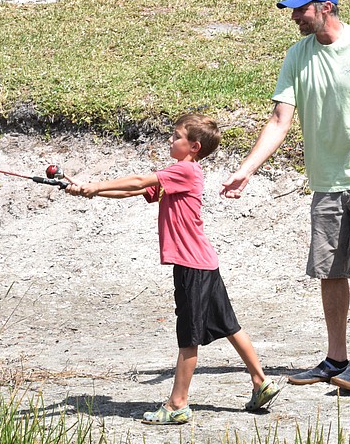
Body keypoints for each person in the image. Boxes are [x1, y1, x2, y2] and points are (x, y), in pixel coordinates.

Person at [220, 0, 350, 393]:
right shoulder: (297, 56)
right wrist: (248, 167)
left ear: (326, 6)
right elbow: (279, 120)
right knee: (330, 269)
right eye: (293, 9)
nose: (295, 17)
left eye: (302, 9)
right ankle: (335, 358)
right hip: (325, 180)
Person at [66, 113, 280, 424]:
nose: (170, 139)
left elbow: (140, 181)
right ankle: (262, 382)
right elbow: (135, 191)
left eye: (176, 136)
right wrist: (90, 191)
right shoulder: (177, 174)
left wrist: (94, 185)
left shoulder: (185, 171)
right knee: (229, 325)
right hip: (204, 262)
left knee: (188, 336)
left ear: (193, 146)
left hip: (192, 266)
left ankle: (177, 404)